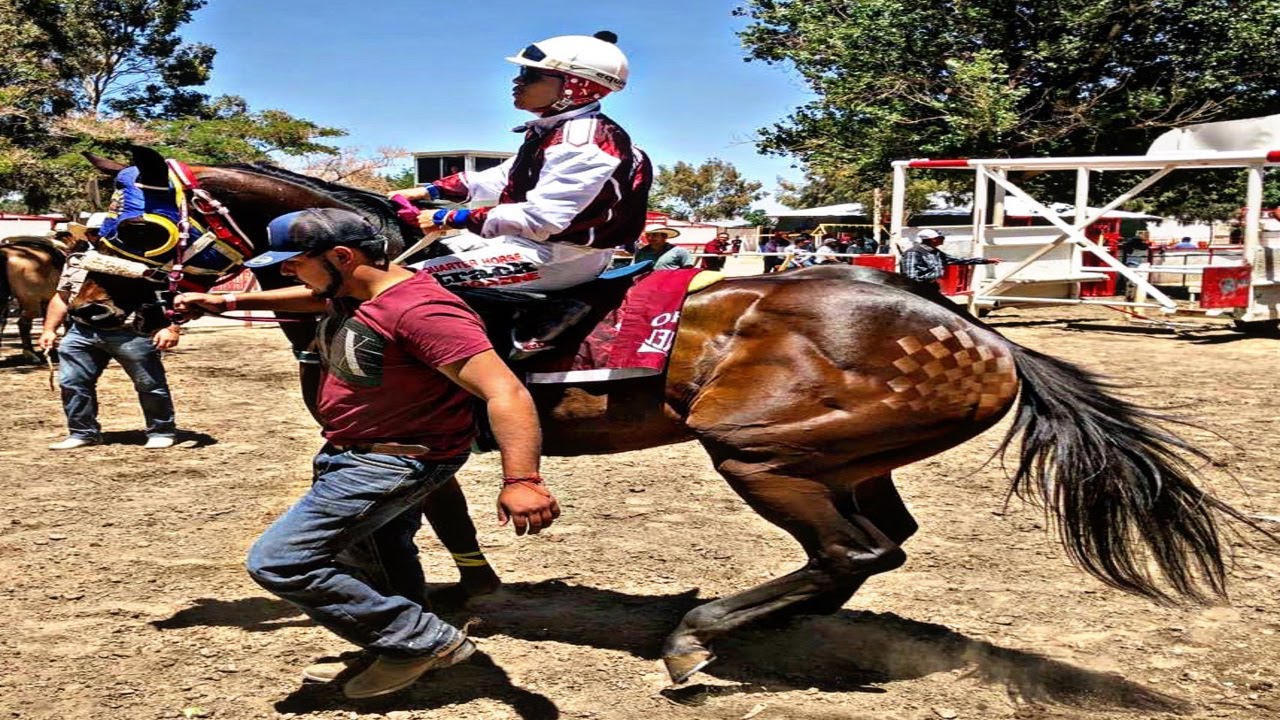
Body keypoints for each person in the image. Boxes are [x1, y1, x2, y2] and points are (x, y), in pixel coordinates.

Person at [174, 208, 559, 699]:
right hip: (354, 452)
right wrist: (226, 300)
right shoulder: (354, 291)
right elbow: (314, 297)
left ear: (341, 256)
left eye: (294, 261)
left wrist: (522, 480)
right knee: (378, 555)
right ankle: (399, 648)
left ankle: (424, 642)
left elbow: (505, 392)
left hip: (394, 461)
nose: (286, 270)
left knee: (280, 560)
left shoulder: (422, 311)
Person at [389, 31, 649, 292]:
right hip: (525, 244)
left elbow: (542, 219)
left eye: (531, 75)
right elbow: (501, 179)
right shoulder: (555, 130)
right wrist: (430, 191)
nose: (517, 80)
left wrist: (449, 217)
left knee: (398, 284)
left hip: (559, 258)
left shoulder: (583, 141)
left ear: (575, 85)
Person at [38, 224, 181, 451]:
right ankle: (82, 432)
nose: (99, 236)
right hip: (82, 330)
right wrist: (49, 329)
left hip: (132, 331)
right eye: (95, 232)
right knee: (72, 382)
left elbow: (174, 296)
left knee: (149, 384)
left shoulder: (148, 264)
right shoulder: (77, 260)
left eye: (102, 232)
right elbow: (62, 296)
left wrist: (171, 327)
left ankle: (161, 430)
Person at [900, 228, 1002, 287]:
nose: (943, 239)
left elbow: (957, 260)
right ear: (933, 239)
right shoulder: (913, 253)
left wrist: (985, 261)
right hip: (919, 288)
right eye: (941, 238)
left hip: (931, 286)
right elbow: (910, 277)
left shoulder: (936, 252)